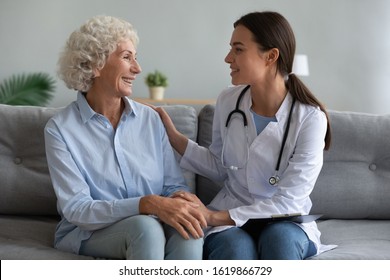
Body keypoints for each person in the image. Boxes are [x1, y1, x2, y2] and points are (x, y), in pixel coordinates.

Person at [153, 11, 334, 260]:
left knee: (279, 240)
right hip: (233, 207)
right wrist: (174, 137)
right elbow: (220, 166)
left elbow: (289, 200)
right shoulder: (229, 100)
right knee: (234, 249)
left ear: (271, 56)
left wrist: (212, 216)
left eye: (238, 49)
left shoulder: (311, 119)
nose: (228, 58)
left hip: (284, 219)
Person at [44, 15, 205, 260]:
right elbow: (78, 210)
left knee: (190, 232)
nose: (138, 69)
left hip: (151, 223)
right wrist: (146, 204)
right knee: (145, 229)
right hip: (89, 232)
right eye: (127, 57)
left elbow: (172, 185)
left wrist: (180, 199)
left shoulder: (150, 120)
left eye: (136, 58)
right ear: (95, 64)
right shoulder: (60, 130)